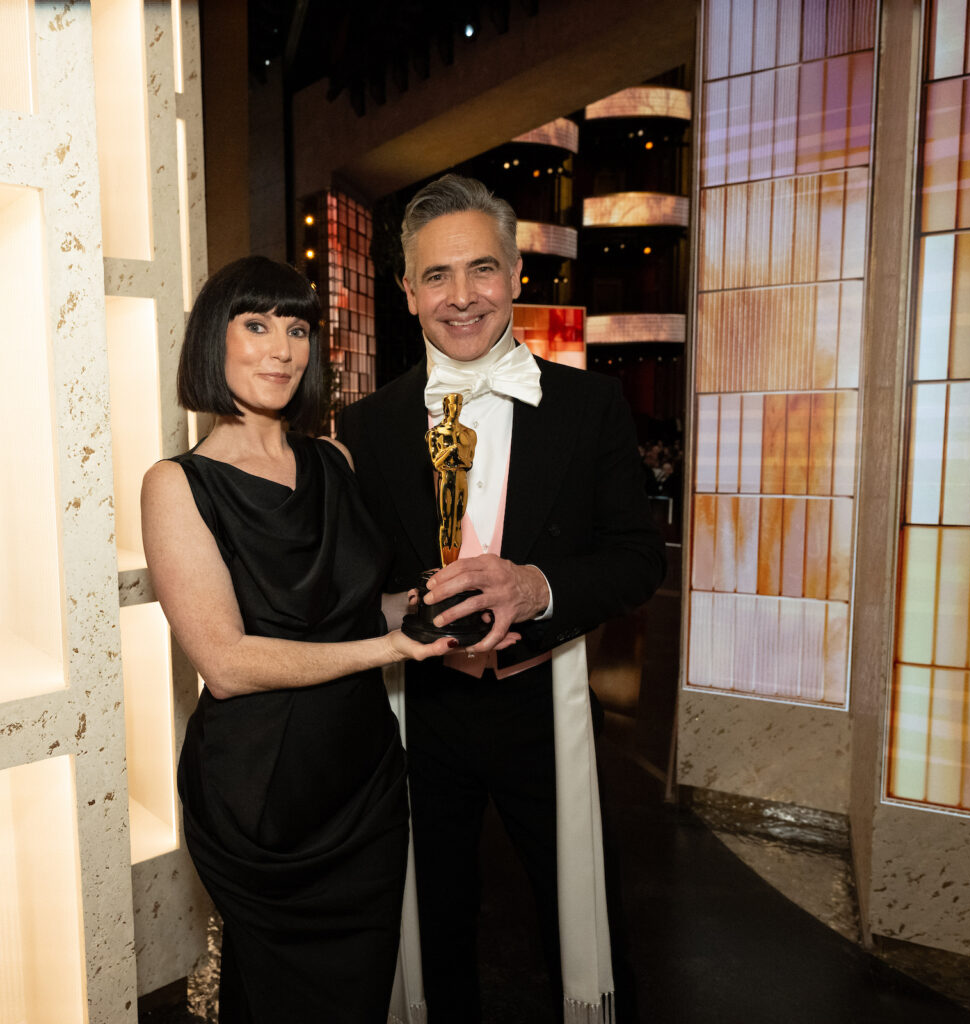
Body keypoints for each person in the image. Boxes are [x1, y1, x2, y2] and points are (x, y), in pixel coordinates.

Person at [337, 175, 666, 1024]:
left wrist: (536, 586)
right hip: (420, 716)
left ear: (516, 273)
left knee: (583, 917)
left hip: (544, 703)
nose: (461, 296)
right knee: (432, 922)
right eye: (436, 276)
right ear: (406, 292)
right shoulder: (368, 426)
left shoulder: (589, 406)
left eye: (481, 269)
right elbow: (354, 580)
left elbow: (636, 560)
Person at [141, 256, 480, 1023]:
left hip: (362, 782)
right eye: (256, 325)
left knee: (356, 998)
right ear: (211, 342)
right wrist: (390, 651)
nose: (283, 348)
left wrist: (432, 605)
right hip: (262, 795)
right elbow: (226, 664)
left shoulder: (335, 460)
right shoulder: (178, 484)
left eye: (298, 328)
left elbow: (361, 614)